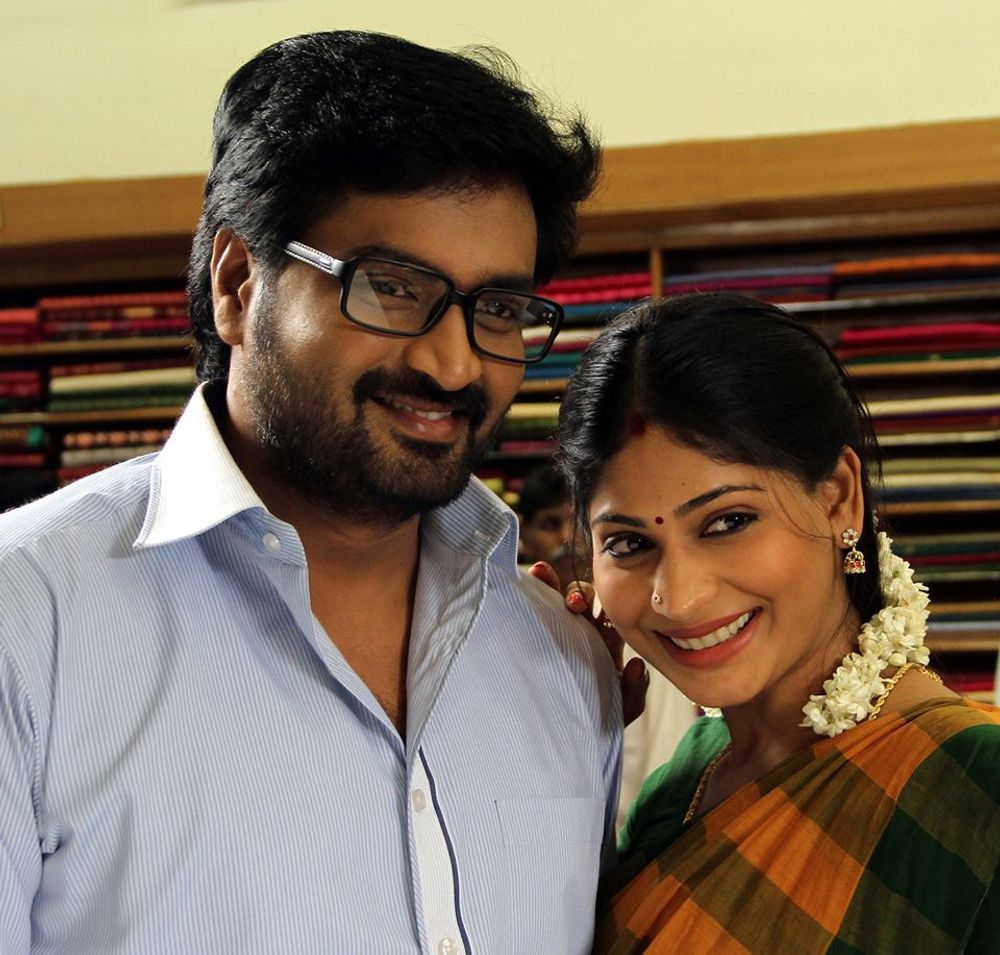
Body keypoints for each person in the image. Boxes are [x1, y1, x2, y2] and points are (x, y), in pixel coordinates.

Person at [0, 32, 623, 953]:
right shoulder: (27, 621)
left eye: (497, 310)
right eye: (393, 288)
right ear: (237, 283)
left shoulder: (564, 658)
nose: (454, 363)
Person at [554, 292, 1000, 953]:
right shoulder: (683, 782)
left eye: (728, 521)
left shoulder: (975, 789)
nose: (679, 598)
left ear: (839, 498)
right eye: (629, 543)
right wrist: (561, 732)